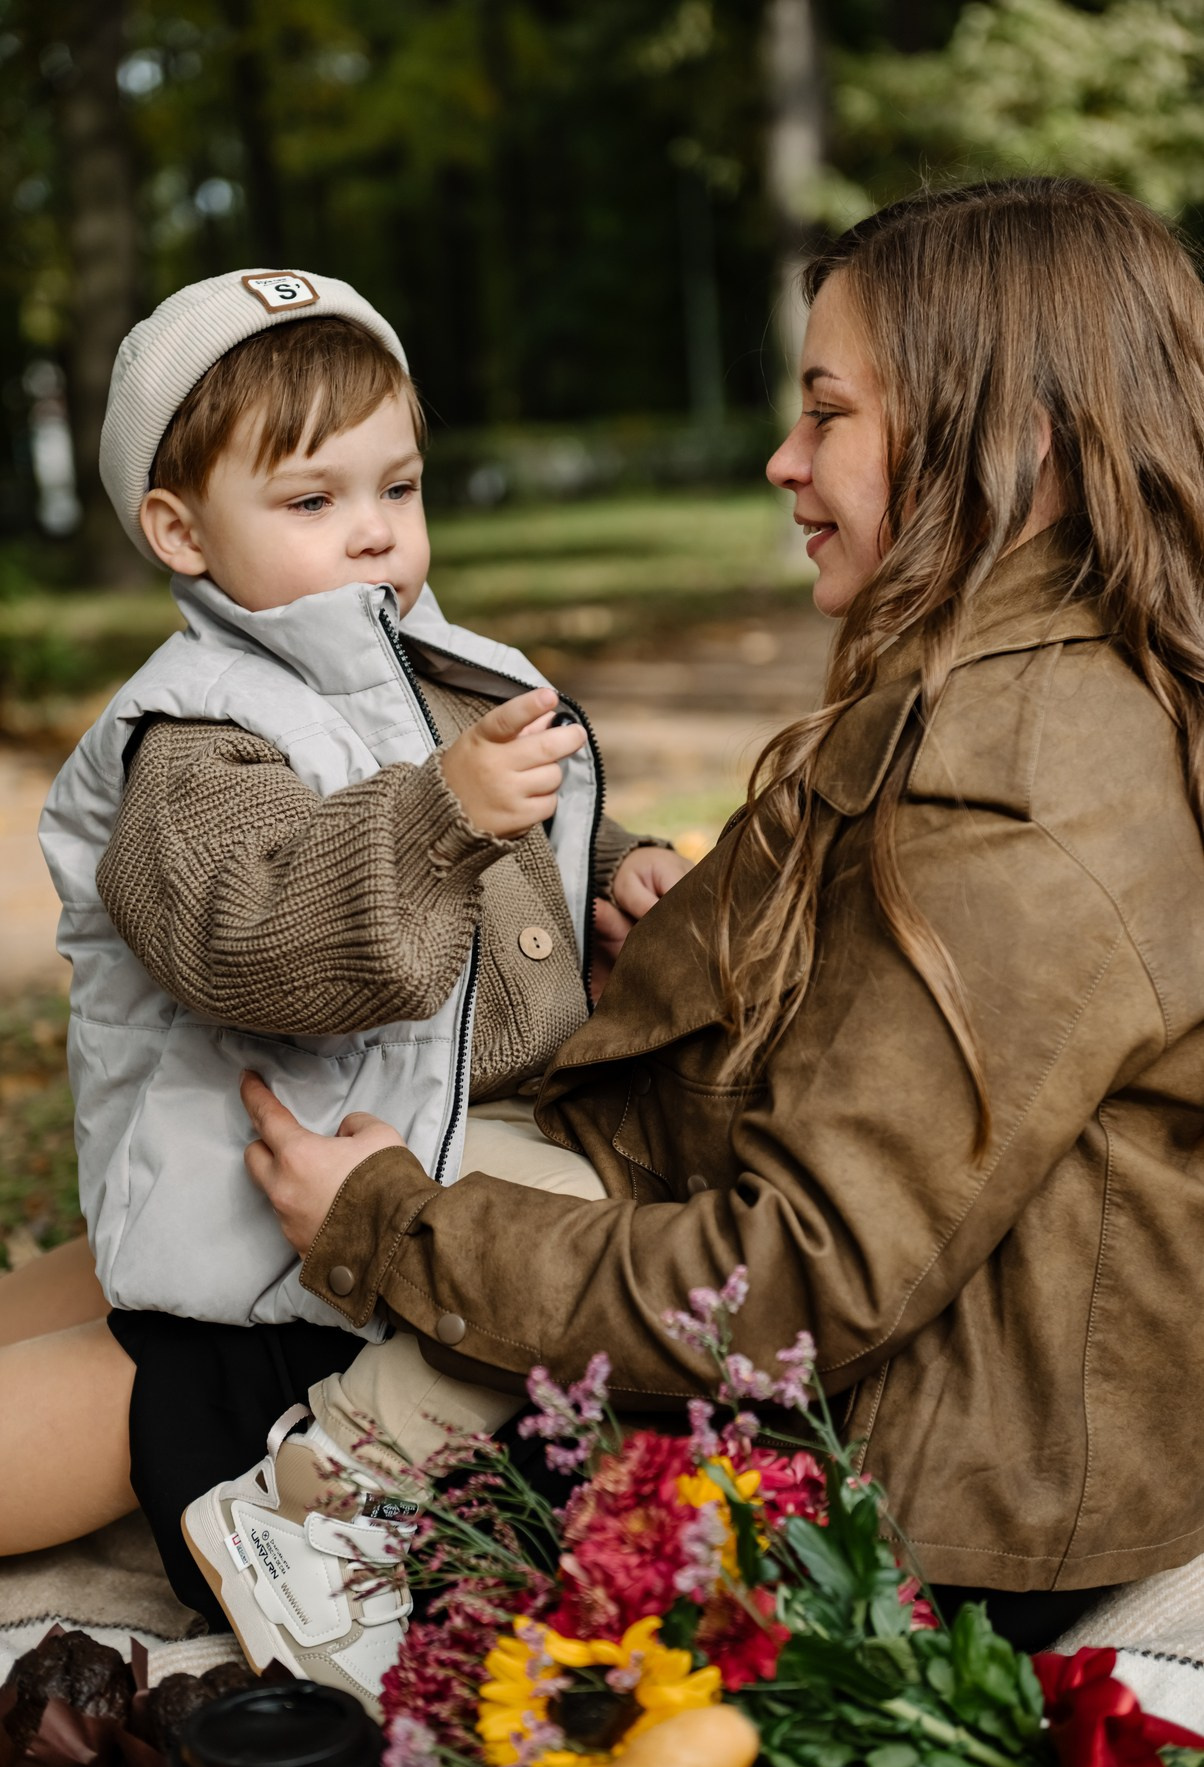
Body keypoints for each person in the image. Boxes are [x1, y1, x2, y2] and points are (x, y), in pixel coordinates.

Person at [217, 176, 1204, 1677]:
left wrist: (394, 1230)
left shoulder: (1029, 780)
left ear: (1018, 439)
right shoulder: (1025, 681)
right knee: (180, 1242)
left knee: (203, 1323)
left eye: (829, 415)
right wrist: (709, 949)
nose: (783, 460)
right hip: (940, 1399)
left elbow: (798, 1277)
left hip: (924, 1511)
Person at [5, 270, 688, 1675]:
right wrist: (444, 811)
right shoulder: (192, 741)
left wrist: (608, 868)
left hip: (413, 1162)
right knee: (116, 1409)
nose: (376, 532)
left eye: (400, 485)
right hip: (269, 1231)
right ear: (180, 532)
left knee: (561, 1213)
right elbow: (245, 942)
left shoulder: (437, 672)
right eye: (313, 501)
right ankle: (308, 1508)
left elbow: (526, 826)